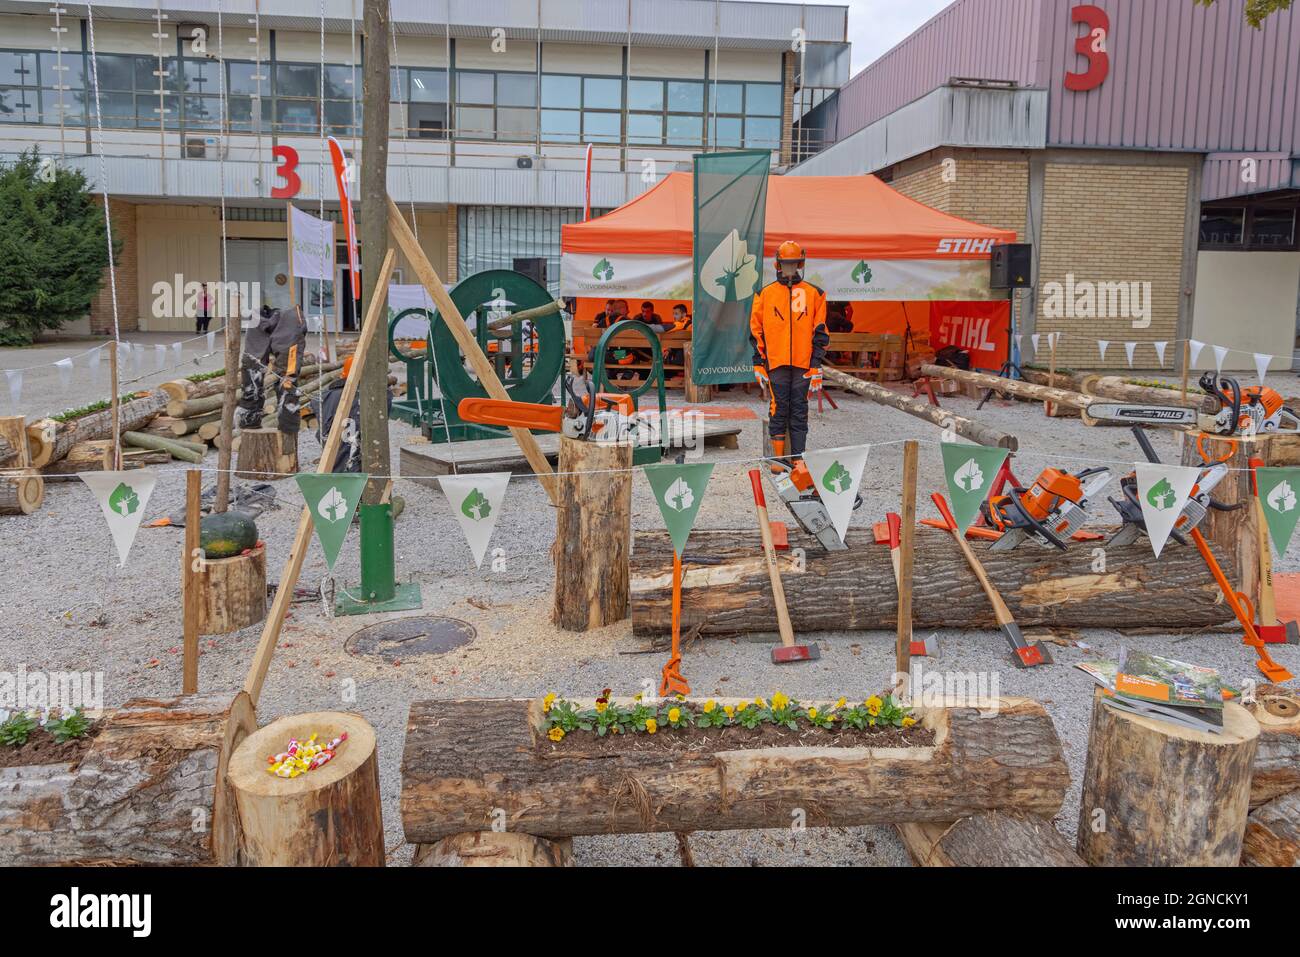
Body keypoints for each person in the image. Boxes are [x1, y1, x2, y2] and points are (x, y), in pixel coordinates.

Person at [749, 240, 828, 466]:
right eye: (786, 264)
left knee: (800, 410)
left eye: (794, 264)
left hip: (804, 364)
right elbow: (756, 332)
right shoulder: (763, 294)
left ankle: (799, 460)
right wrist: (758, 362)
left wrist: (816, 364)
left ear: (801, 263)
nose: (790, 269)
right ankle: (778, 458)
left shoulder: (815, 294)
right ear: (778, 264)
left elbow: (821, 332)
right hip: (776, 363)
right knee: (778, 408)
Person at [237, 303, 308, 433]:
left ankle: (288, 430)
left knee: (287, 378)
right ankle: (250, 424)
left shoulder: (291, 318)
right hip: (258, 319)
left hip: (290, 322)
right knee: (251, 370)